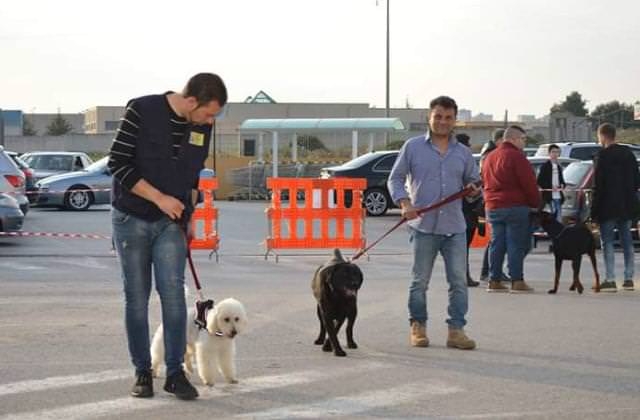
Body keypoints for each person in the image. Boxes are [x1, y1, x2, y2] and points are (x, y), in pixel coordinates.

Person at [108, 73, 228, 400]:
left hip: (171, 224)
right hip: (131, 218)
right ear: (191, 102)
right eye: (208, 113)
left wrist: (189, 217)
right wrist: (159, 198)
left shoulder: (201, 127)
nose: (210, 121)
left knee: (174, 296)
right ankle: (142, 372)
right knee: (136, 297)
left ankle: (175, 374)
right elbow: (117, 163)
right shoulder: (142, 110)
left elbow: (192, 175)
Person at [388, 96, 480, 350]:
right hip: (423, 227)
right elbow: (394, 179)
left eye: (448, 117)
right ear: (429, 117)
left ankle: (456, 330)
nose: (443, 121)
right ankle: (418, 327)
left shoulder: (462, 152)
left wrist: (473, 190)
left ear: (455, 121)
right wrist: (404, 203)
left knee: (459, 281)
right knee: (420, 282)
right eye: (438, 116)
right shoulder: (412, 147)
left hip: (455, 227)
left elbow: (474, 181)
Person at [482, 125, 540, 293]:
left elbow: (484, 181)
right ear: (513, 139)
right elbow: (528, 183)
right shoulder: (517, 157)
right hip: (515, 205)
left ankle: (494, 280)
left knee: (496, 243)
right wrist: (535, 202)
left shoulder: (490, 157)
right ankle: (517, 280)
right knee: (516, 243)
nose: (524, 142)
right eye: (523, 139)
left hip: (492, 206)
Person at [590, 123, 640, 292]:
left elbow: (598, 186)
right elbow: (636, 181)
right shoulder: (629, 155)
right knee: (627, 242)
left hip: (607, 206)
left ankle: (610, 279)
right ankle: (628, 278)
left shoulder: (601, 156)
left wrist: (593, 212)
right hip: (626, 205)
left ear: (603, 136)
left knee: (608, 242)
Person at [478, 128, 509, 282]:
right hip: (492, 200)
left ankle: (489, 270)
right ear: (499, 141)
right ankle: (490, 271)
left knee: (496, 239)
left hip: (490, 199)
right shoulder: (491, 155)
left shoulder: (488, 153)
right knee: (497, 239)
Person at [456, 133, 481, 287]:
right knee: (462, 246)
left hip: (464, 208)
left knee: (461, 246)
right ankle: (463, 276)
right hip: (465, 209)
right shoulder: (465, 160)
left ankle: (462, 275)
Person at [537, 144, 565, 222]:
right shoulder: (545, 166)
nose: (555, 154)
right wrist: (550, 187)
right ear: (549, 153)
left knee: (558, 216)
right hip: (549, 196)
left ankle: (559, 230)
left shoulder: (559, 166)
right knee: (552, 216)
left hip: (558, 196)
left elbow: (561, 180)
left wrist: (562, 185)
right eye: (553, 152)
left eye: (557, 152)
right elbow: (539, 181)